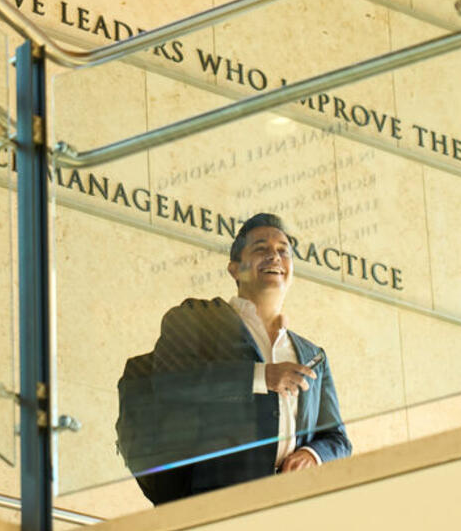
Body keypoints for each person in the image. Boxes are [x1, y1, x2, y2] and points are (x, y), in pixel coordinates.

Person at [116, 213, 352, 505]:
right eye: (261, 249)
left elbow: (338, 439)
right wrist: (260, 376)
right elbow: (169, 385)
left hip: (291, 503)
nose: (274, 257)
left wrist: (312, 454)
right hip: (212, 500)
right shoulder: (194, 318)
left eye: (283, 251)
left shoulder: (313, 354)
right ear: (234, 269)